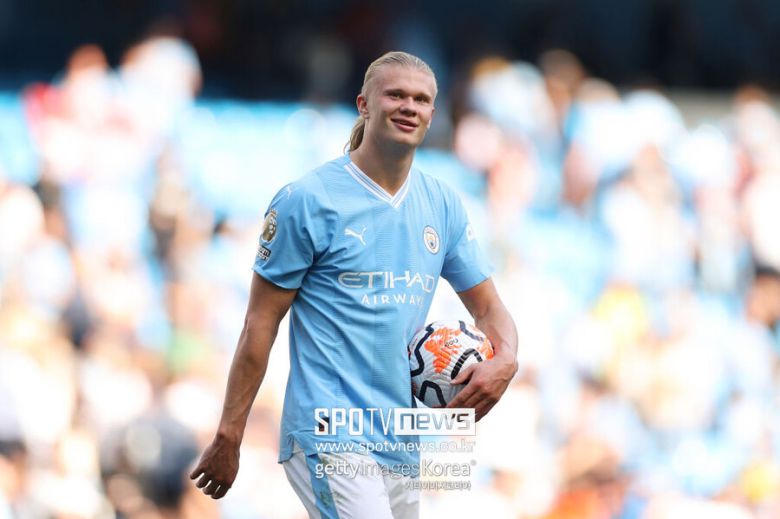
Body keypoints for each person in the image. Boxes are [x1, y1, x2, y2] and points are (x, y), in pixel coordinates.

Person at [190, 51, 518, 518]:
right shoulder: (307, 200)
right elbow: (259, 324)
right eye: (396, 95)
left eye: (421, 99)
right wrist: (230, 433)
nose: (409, 107)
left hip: (399, 436)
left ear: (432, 113)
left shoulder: (441, 203)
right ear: (364, 104)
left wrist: (506, 360)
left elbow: (488, 307)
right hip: (328, 430)